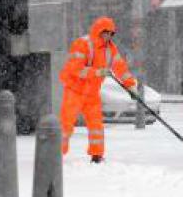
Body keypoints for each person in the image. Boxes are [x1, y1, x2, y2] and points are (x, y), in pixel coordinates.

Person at [59, 16, 138, 163]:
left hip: (92, 93)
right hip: (74, 90)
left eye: (111, 33)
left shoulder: (111, 50)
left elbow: (121, 68)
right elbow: (75, 69)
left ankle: (97, 155)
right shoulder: (82, 44)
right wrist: (97, 72)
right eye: (106, 32)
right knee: (66, 124)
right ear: (99, 31)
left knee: (96, 125)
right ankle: (56, 154)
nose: (108, 36)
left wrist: (130, 85)